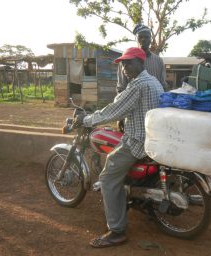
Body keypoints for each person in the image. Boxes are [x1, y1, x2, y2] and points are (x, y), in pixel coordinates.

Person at [80, 47, 164, 248]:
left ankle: (117, 231)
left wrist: (88, 119)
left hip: (137, 142)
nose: (124, 67)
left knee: (107, 177)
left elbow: (114, 110)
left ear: (140, 62)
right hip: (154, 139)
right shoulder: (154, 82)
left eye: (129, 62)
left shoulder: (138, 85)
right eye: (123, 64)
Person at [116, 24, 167, 93]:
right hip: (132, 100)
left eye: (147, 37)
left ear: (150, 39)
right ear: (136, 39)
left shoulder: (158, 61)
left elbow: (163, 84)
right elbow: (121, 87)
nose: (143, 39)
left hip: (154, 100)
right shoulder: (125, 60)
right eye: (140, 37)